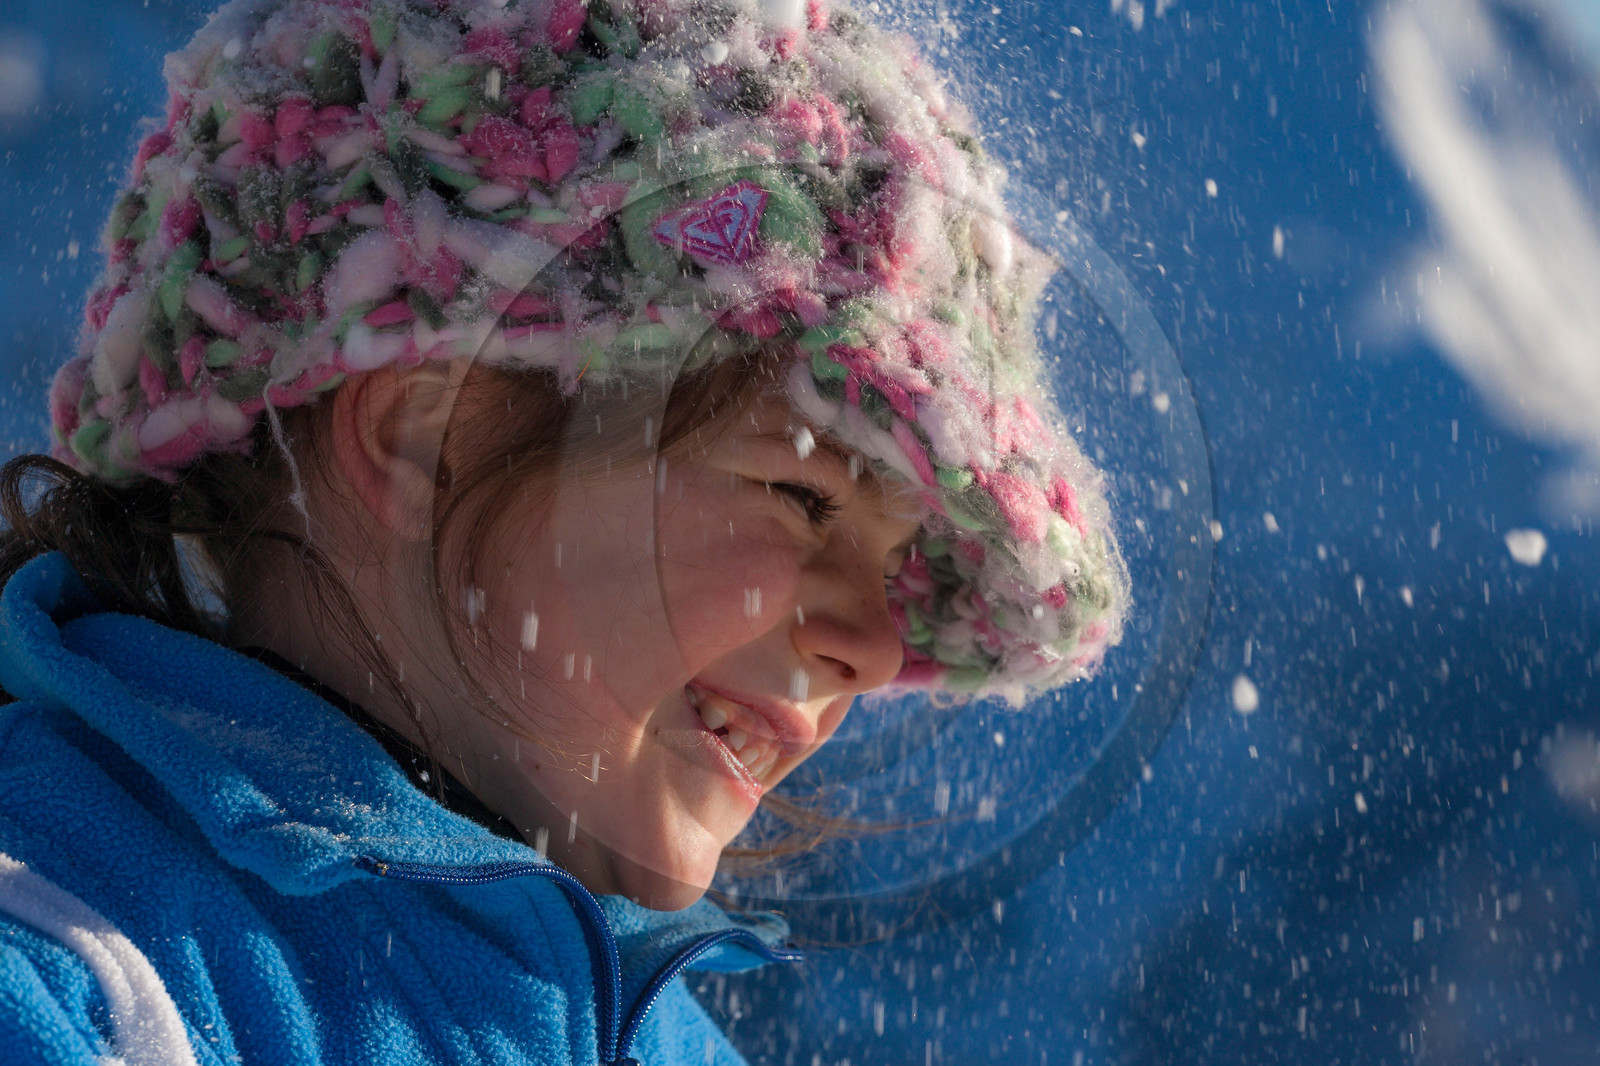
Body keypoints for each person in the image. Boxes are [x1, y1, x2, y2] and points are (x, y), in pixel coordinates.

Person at [0, 0, 1128, 1061]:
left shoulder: (643, 1028)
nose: (877, 649)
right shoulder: (69, 962)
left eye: (902, 563)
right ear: (422, 437)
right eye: (805, 498)